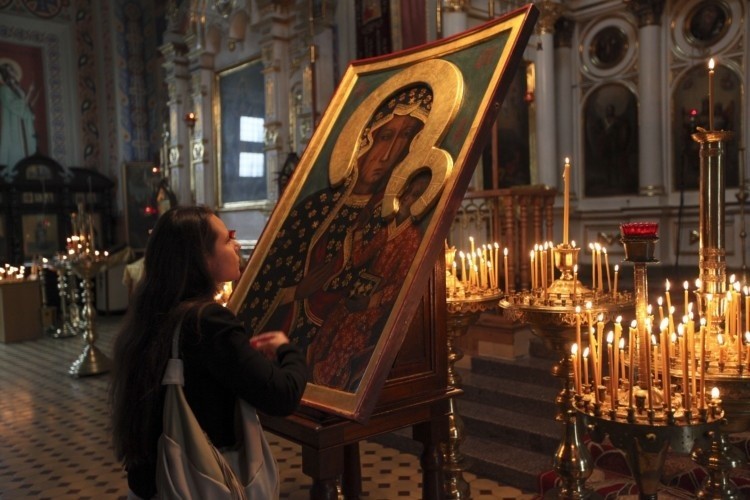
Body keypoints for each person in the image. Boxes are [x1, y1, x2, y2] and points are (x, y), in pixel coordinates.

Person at [109, 205, 307, 499]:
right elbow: (281, 396)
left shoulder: (152, 314)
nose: (237, 245)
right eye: (227, 239)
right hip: (198, 485)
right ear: (201, 258)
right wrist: (287, 351)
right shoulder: (208, 322)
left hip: (152, 485)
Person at [239, 84, 432, 355]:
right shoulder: (315, 208)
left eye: (406, 137)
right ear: (363, 140)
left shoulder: (392, 214)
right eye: (385, 136)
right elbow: (264, 287)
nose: (389, 155)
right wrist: (295, 292)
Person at [307, 169, 432, 391]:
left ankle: (334, 382)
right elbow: (359, 259)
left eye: (416, 195)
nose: (407, 198)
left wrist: (370, 301)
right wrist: (358, 233)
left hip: (382, 305)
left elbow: (401, 284)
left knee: (352, 326)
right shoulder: (388, 229)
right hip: (363, 291)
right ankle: (314, 378)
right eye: (408, 191)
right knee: (336, 313)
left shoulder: (413, 238)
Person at [0, 61, 37, 173]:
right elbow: (16, 107)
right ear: (5, 73)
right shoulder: (4, 90)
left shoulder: (19, 88)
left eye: (12, 68)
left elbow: (24, 105)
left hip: (24, 123)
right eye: (10, 70)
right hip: (14, 124)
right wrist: (29, 92)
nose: (13, 71)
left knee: (29, 145)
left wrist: (30, 95)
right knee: (16, 147)